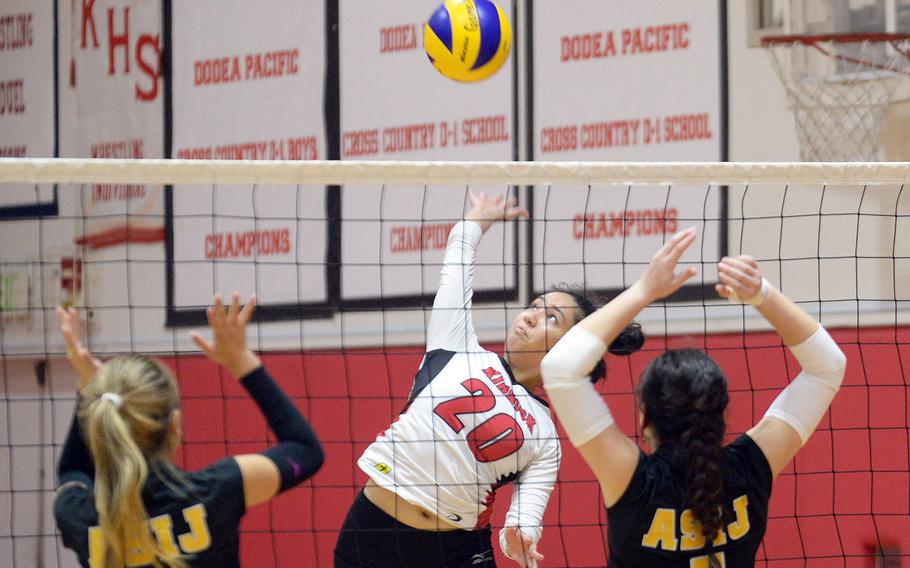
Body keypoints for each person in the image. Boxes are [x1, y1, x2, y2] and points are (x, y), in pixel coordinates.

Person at [334, 190, 643, 568]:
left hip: (455, 552)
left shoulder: (545, 434)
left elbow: (526, 512)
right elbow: (456, 263)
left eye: (551, 319)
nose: (529, 317)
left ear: (574, 347)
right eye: (533, 307)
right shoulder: (457, 345)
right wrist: (477, 221)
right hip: (373, 535)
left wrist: (520, 533)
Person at [540, 227, 847, 567]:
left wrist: (645, 290)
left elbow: (559, 369)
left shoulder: (633, 480)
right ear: (719, 411)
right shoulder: (750, 467)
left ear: (644, 417)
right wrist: (762, 294)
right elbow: (828, 366)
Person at [53, 292, 324, 567]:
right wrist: (240, 359)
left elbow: (71, 471)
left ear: (99, 426)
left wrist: (88, 388)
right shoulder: (215, 492)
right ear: (175, 425)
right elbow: (305, 451)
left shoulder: (79, 515)